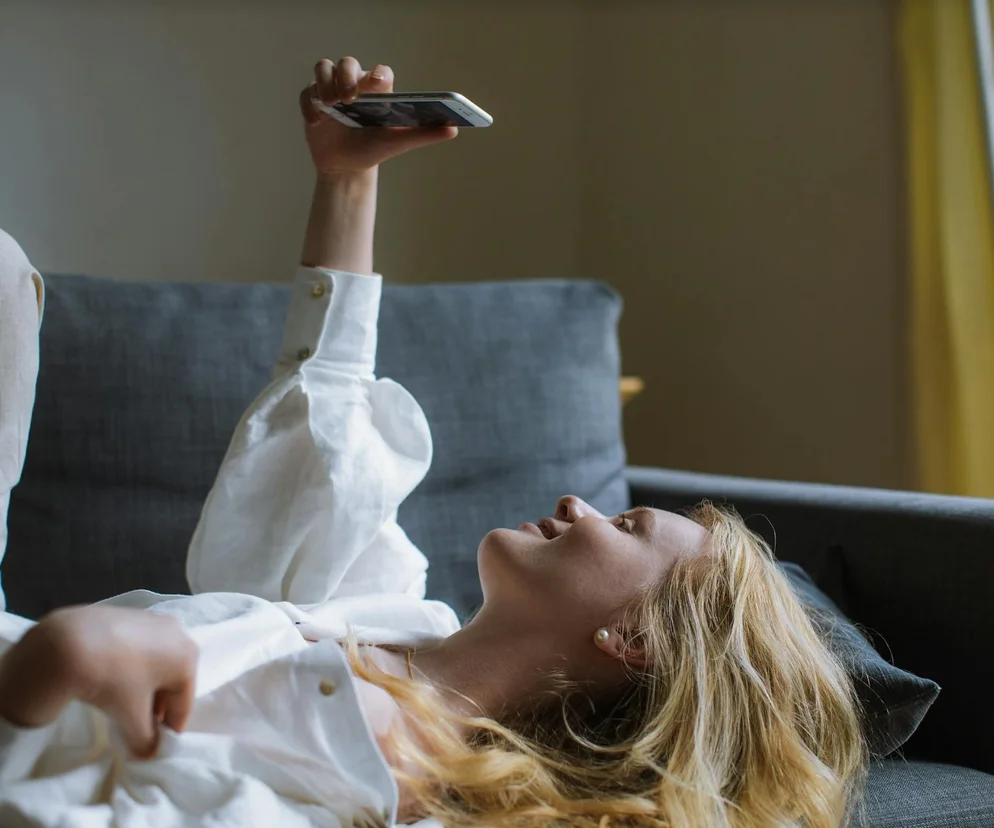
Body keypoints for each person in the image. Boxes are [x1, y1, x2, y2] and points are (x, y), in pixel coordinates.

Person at [0, 56, 866, 828]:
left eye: (627, 525)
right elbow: (326, 422)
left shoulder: (399, 781)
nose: (580, 504)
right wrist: (348, 181)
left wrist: (52, 669)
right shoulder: (390, 608)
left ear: (634, 638)